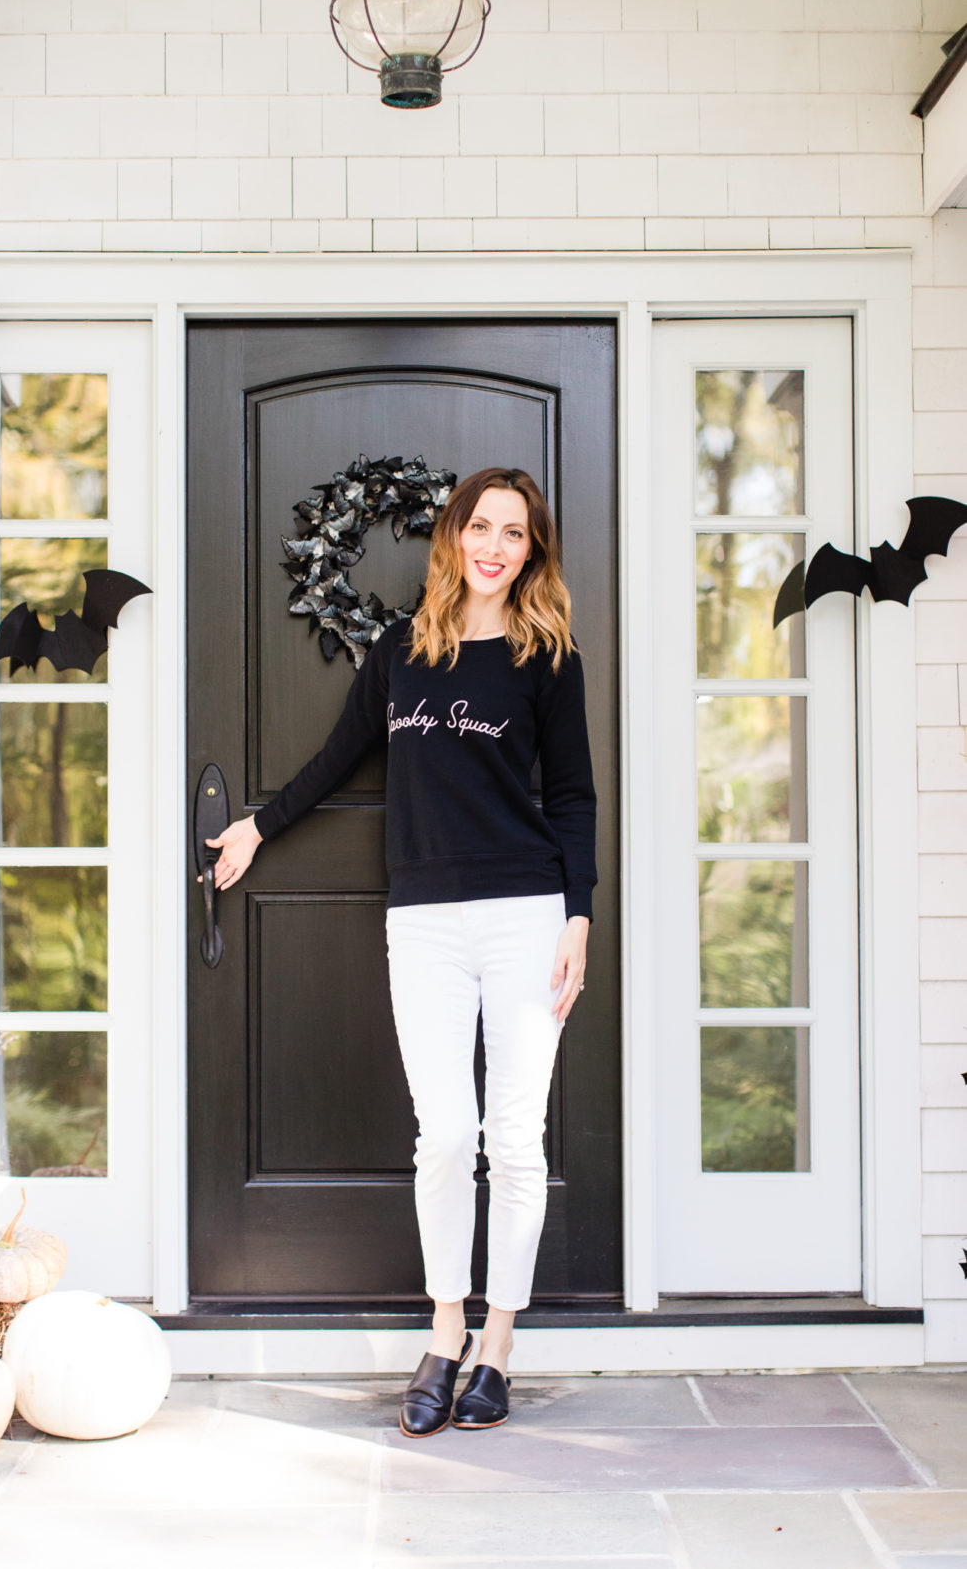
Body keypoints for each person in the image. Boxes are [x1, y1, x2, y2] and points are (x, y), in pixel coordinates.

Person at [205, 466, 597, 1436]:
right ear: (453, 535)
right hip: (421, 922)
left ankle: (497, 1342)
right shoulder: (401, 650)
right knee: (442, 1138)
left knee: (512, 1137)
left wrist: (577, 918)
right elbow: (339, 757)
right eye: (481, 527)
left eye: (514, 533)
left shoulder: (546, 658)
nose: (495, 547)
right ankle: (443, 1329)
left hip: (523, 916)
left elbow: (573, 797)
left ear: (531, 550)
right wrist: (260, 825)